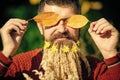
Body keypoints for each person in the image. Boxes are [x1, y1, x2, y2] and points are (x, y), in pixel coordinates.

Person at [0, 0, 120, 80]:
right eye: (52, 22)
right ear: (41, 28)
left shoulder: (96, 69)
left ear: (81, 27)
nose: (62, 29)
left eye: (70, 21)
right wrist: (6, 52)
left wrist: (110, 52)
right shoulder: (19, 66)